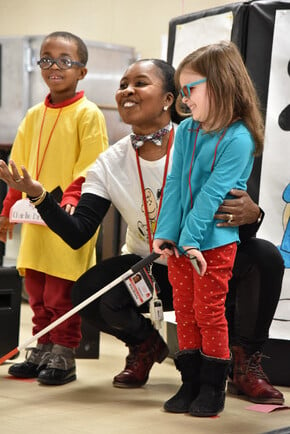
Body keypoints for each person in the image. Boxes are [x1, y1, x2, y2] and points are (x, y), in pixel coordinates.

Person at [0, 58, 283, 405]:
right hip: (151, 267)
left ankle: (244, 364)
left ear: (169, 98)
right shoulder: (107, 162)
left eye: (140, 83)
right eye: (122, 84)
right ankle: (145, 345)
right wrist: (39, 197)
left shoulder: (205, 137)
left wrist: (253, 212)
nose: (127, 91)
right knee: (89, 289)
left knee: (265, 257)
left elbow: (234, 213)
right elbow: (79, 232)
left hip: (204, 260)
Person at [152, 41, 269, 417]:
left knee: (208, 314)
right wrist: (165, 234)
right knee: (183, 312)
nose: (184, 99)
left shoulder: (238, 138)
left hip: (212, 245)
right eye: (182, 90)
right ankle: (189, 383)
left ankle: (212, 387)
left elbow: (210, 197)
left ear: (220, 84)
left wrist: (189, 242)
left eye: (191, 89)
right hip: (184, 245)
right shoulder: (185, 131)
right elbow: (173, 186)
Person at [0, 31, 108, 385]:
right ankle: (42, 346)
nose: (54, 66)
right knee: (37, 290)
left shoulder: (88, 114)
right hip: (34, 219)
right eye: (46, 59)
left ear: (82, 71)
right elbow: (16, 167)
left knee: (62, 291)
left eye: (65, 60)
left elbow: (92, 164)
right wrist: (8, 207)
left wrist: (73, 197)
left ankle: (64, 352)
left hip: (65, 218)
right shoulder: (33, 115)